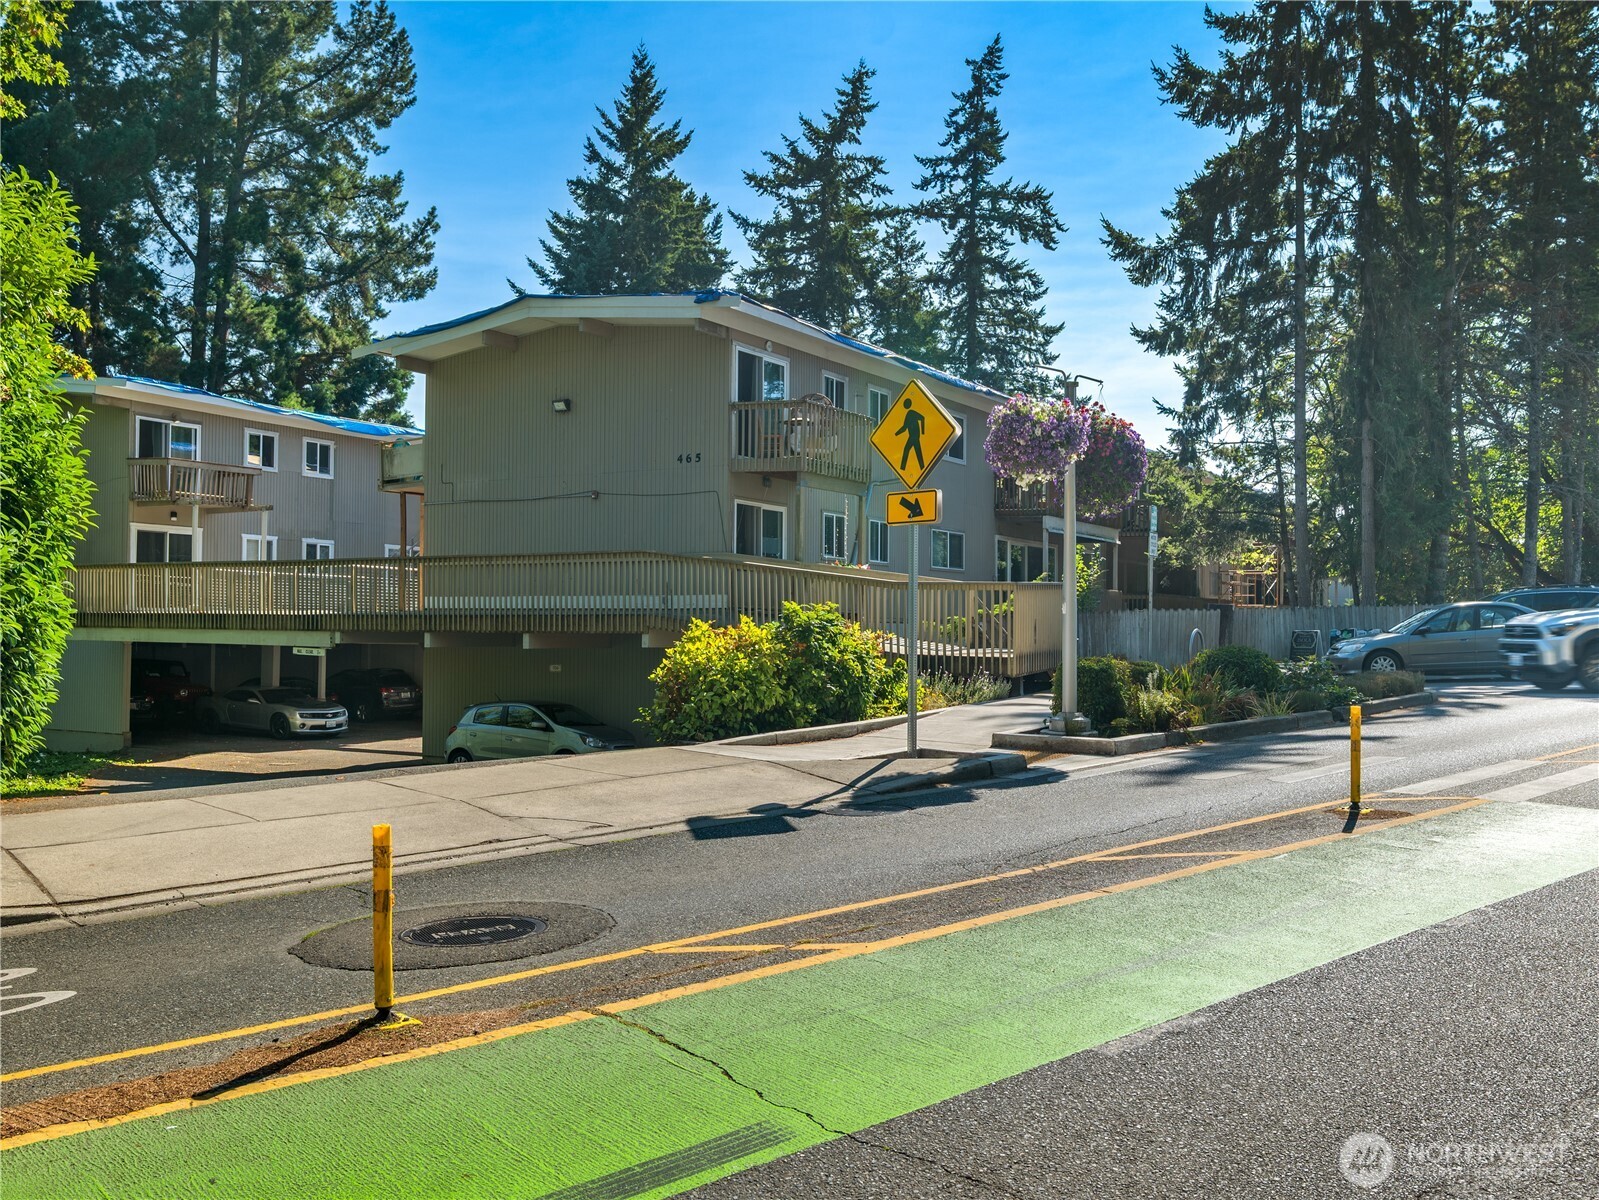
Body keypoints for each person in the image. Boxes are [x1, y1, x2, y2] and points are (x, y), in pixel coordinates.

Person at [896, 397, 926, 473]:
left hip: (914, 437)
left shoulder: (911, 413)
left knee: (907, 450)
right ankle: (922, 468)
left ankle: (902, 468)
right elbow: (904, 428)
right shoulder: (909, 414)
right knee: (918, 453)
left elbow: (922, 418)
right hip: (913, 436)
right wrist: (896, 434)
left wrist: (923, 431)